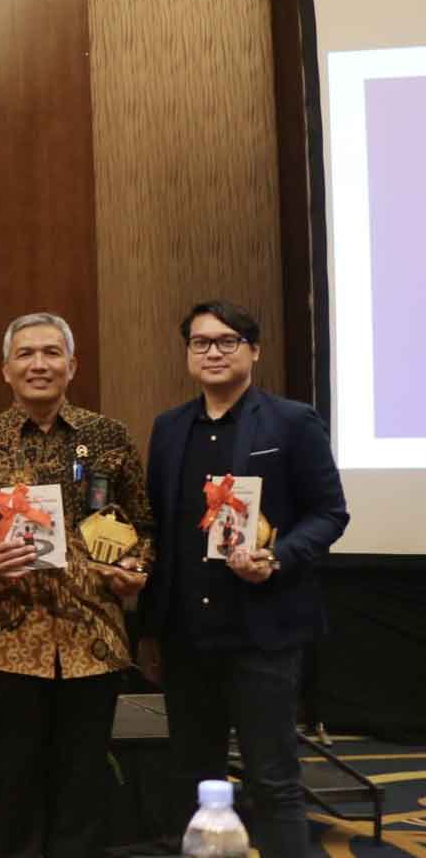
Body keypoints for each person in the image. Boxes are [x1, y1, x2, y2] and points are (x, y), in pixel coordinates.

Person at [139, 301, 348, 858]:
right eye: (200, 342)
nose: (213, 352)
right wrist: (150, 626)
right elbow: (161, 528)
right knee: (194, 778)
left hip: (263, 632)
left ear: (253, 350)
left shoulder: (291, 422)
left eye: (227, 341)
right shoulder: (169, 428)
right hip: (188, 636)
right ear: (188, 353)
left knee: (272, 779)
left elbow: (330, 514)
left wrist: (276, 557)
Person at [0, 312, 152, 858]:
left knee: (83, 786)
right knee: (14, 785)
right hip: (8, 645)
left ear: (72, 365)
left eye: (51, 353)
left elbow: (142, 525)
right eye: (26, 354)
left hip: (93, 640)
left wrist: (136, 566)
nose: (39, 364)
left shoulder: (108, 437)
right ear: (6, 370)